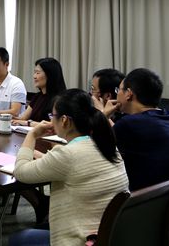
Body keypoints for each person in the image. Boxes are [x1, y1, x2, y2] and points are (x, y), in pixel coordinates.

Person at [10, 89, 128, 246]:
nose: (51, 120)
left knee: (19, 239)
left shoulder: (67, 155)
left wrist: (32, 135)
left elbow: (20, 172)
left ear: (64, 120)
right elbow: (75, 165)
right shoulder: (108, 146)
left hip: (79, 240)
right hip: (107, 236)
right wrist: (46, 156)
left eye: (53, 116)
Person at [109, 68, 169, 245]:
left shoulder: (128, 124)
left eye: (118, 90)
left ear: (129, 94)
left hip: (162, 219)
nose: (117, 94)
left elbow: (91, 148)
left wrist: (102, 114)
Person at [12, 57, 66, 127]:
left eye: (38, 73)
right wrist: (6, 117)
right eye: (34, 73)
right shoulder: (37, 96)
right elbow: (23, 118)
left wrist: (28, 123)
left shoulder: (60, 99)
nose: (34, 76)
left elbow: (53, 125)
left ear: (50, 75)